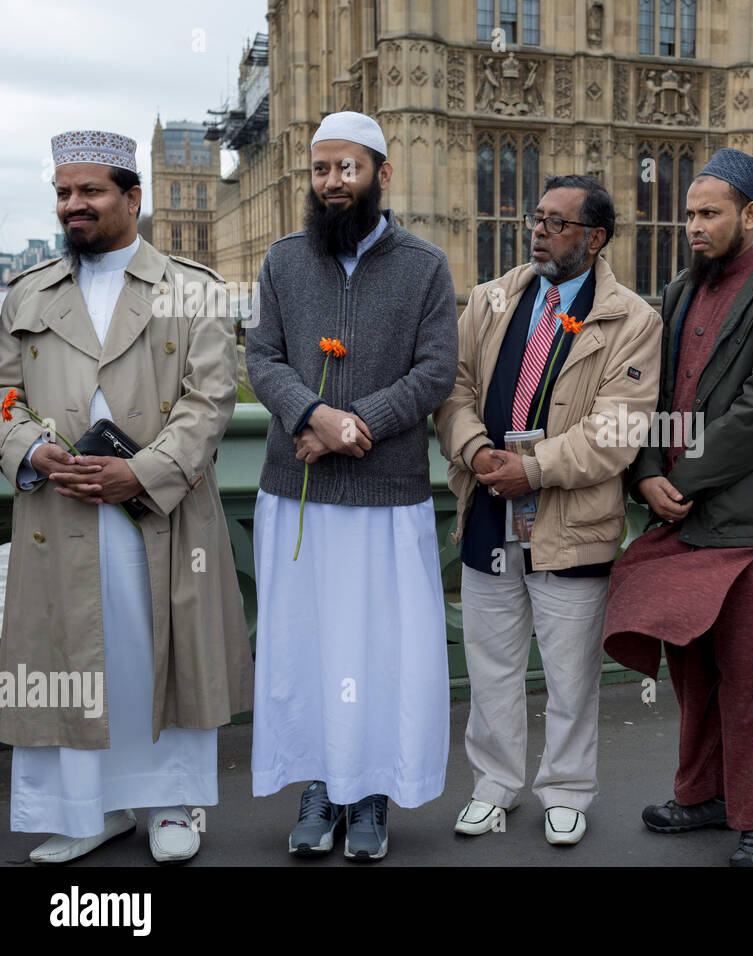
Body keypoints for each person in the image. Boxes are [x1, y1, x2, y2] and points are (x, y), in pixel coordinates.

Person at [0, 129, 251, 863]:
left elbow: (211, 403)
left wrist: (141, 472)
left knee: (159, 651)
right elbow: (3, 396)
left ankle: (171, 803)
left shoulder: (195, 288)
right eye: (62, 193)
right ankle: (84, 812)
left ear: (132, 198)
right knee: (66, 657)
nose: (72, 205)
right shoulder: (27, 291)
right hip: (59, 506)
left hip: (157, 510)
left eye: (89, 191)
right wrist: (31, 451)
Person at [245, 111, 459, 862]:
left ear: (381, 174)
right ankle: (315, 783)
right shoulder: (280, 261)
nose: (332, 184)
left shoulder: (426, 265)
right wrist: (310, 412)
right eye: (321, 170)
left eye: (348, 169)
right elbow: (261, 356)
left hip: (385, 494)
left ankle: (368, 793)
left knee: (379, 651)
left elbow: (435, 372)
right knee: (303, 648)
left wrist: (352, 422)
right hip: (294, 490)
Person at [602, 148, 753, 867]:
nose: (693, 225)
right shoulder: (677, 292)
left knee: (752, 679)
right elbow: (647, 396)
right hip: (685, 519)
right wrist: (643, 473)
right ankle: (704, 795)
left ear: (750, 215)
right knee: (693, 672)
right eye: (689, 213)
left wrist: (682, 477)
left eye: (709, 213)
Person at [435, 174, 660, 846]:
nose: (538, 230)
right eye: (536, 217)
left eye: (557, 222)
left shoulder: (634, 319)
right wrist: (475, 450)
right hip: (486, 509)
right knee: (492, 662)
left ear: (594, 239)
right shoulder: (493, 296)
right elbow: (453, 385)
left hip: (571, 520)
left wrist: (532, 468)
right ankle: (495, 784)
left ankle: (565, 789)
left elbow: (617, 430)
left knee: (569, 672)